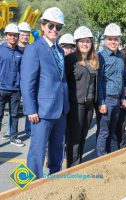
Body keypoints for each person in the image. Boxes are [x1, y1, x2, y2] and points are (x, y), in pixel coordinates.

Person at [20, 7, 69, 179]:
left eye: (58, 27)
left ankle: (54, 185)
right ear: (42, 26)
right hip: (41, 112)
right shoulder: (34, 49)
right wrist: (30, 109)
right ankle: (24, 189)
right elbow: (27, 83)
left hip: (60, 110)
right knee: (36, 153)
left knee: (57, 151)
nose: (54, 30)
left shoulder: (60, 51)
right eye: (51, 25)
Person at [65, 26, 99, 167]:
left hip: (90, 104)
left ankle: (78, 163)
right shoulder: (70, 59)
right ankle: (72, 166)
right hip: (76, 104)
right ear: (77, 43)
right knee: (74, 137)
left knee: (84, 134)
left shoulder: (94, 60)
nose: (85, 44)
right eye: (82, 41)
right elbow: (64, 83)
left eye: (88, 41)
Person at [97, 23, 125, 157]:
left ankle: (109, 155)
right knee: (103, 132)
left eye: (115, 39)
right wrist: (101, 102)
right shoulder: (100, 56)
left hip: (117, 99)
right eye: (110, 39)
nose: (113, 42)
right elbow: (99, 81)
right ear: (105, 39)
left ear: (119, 39)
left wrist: (123, 98)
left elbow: (122, 78)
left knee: (112, 131)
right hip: (106, 100)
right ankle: (100, 159)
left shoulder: (121, 56)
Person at [0, 23, 24, 146]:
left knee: (14, 115)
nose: (13, 37)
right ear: (6, 36)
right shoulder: (0, 50)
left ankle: (13, 137)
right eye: (10, 35)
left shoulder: (21, 52)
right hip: (1, 89)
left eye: (15, 35)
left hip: (15, 89)